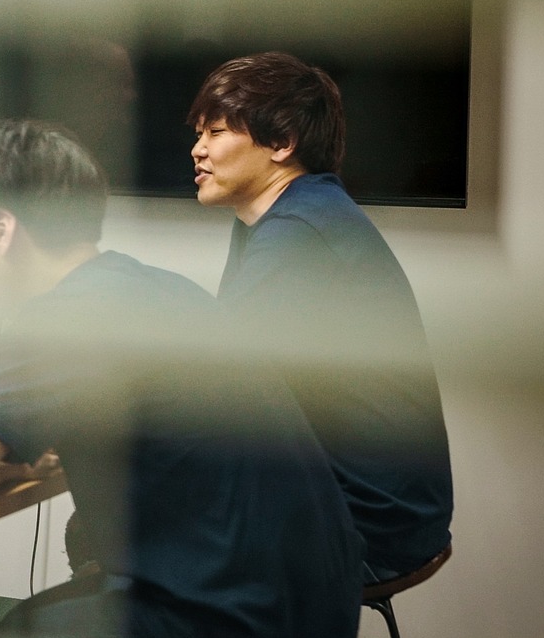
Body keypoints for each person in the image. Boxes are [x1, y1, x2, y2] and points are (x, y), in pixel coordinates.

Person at [0, 120, 362, 638]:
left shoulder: (66, 317)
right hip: (315, 614)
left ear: (0, 229)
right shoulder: (154, 286)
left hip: (235, 636)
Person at [190, 52, 453, 580]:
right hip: (370, 508)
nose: (198, 149)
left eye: (215, 132)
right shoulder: (285, 215)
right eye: (199, 133)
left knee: (125, 520)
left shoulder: (299, 232)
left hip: (366, 526)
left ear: (283, 142)